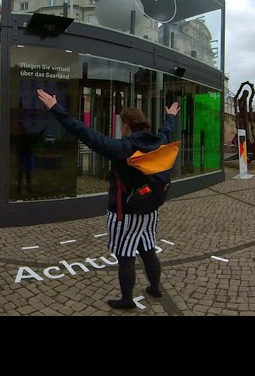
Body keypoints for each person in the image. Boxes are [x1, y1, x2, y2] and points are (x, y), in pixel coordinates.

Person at [37, 88, 180, 310]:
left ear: (126, 125)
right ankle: (155, 287)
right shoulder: (158, 141)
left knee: (125, 256)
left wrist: (56, 108)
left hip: (125, 213)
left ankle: (126, 300)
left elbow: (84, 133)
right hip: (150, 209)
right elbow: (167, 130)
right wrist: (170, 115)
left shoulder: (122, 148)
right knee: (147, 248)